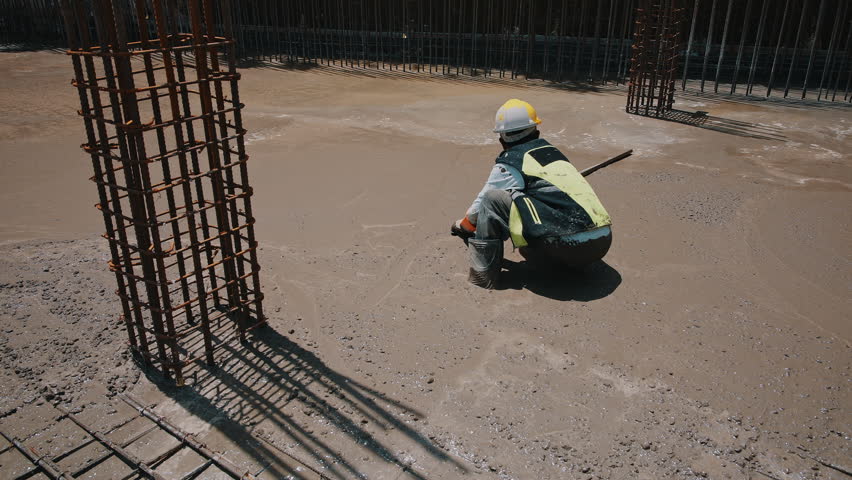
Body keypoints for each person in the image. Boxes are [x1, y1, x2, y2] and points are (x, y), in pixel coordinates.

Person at [451, 99, 613, 289]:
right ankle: (568, 266)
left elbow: (480, 205)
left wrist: (464, 225)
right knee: (532, 226)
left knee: (492, 199)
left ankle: (482, 275)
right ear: (537, 132)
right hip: (602, 243)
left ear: (501, 140)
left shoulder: (510, 162)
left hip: (569, 247)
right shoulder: (555, 154)